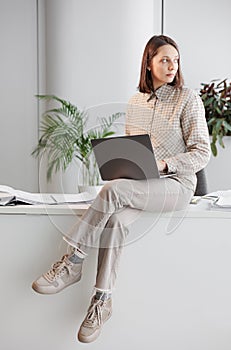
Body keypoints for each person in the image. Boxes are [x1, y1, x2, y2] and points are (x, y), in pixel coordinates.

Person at [32, 35, 211, 343]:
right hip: (144, 184)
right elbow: (134, 150)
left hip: (176, 184)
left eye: (176, 60)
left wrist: (166, 164)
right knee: (114, 219)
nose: (172, 65)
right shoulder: (135, 102)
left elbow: (202, 152)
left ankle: (72, 261)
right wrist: (126, 165)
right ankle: (102, 300)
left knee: (114, 191)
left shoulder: (187, 98)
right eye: (165, 59)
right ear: (149, 63)